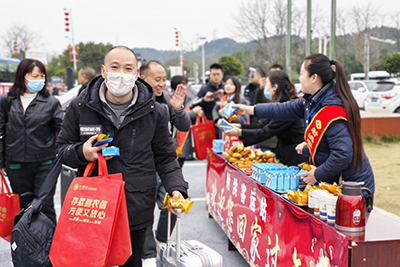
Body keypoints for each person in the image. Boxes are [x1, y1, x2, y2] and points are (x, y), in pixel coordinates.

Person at [56, 46, 189, 267]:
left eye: (128, 68)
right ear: (104, 71)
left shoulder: (155, 112)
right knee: (93, 262)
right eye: (115, 67)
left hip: (136, 204)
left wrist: (177, 188)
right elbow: (62, 150)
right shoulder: (80, 107)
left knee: (132, 262)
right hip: (93, 206)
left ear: (137, 74)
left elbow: (165, 158)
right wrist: (82, 152)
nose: (121, 74)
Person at [234, 54, 375, 194]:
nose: (299, 78)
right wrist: (249, 109)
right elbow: (282, 109)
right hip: (336, 182)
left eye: (301, 74)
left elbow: (343, 154)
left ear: (313, 78)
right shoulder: (312, 101)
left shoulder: (331, 108)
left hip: (353, 188)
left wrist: (318, 174)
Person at [139, 61, 191, 266]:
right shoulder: (134, 102)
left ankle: (161, 241)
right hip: (141, 167)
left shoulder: (167, 102)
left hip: (164, 165)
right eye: (157, 79)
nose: (161, 84)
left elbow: (185, 125)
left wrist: (178, 109)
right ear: (143, 78)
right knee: (143, 212)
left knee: (172, 204)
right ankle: (147, 253)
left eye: (163, 79)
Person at [0, 58, 63, 224]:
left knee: (45, 205)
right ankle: (24, 246)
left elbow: (63, 129)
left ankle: (48, 246)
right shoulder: (7, 101)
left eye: (42, 76)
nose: (39, 80)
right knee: (22, 206)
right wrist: (1, 162)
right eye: (34, 76)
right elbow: (1, 132)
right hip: (16, 163)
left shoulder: (51, 103)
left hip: (44, 163)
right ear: (22, 76)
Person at [225, 71, 308, 166]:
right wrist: (239, 126)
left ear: (275, 87)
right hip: (286, 152)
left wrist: (239, 132)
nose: (266, 89)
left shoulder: (287, 109)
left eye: (267, 86)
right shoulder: (281, 105)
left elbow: (266, 132)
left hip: (296, 155)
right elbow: (263, 125)